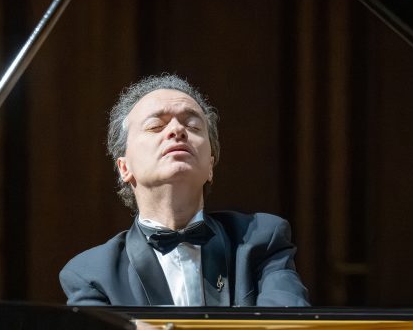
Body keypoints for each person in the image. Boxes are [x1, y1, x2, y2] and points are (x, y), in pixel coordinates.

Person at [60, 74, 310, 307]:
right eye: (155, 126)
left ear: (210, 165)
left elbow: (286, 329)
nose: (177, 130)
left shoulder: (262, 239)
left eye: (192, 126)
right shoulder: (91, 274)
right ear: (125, 167)